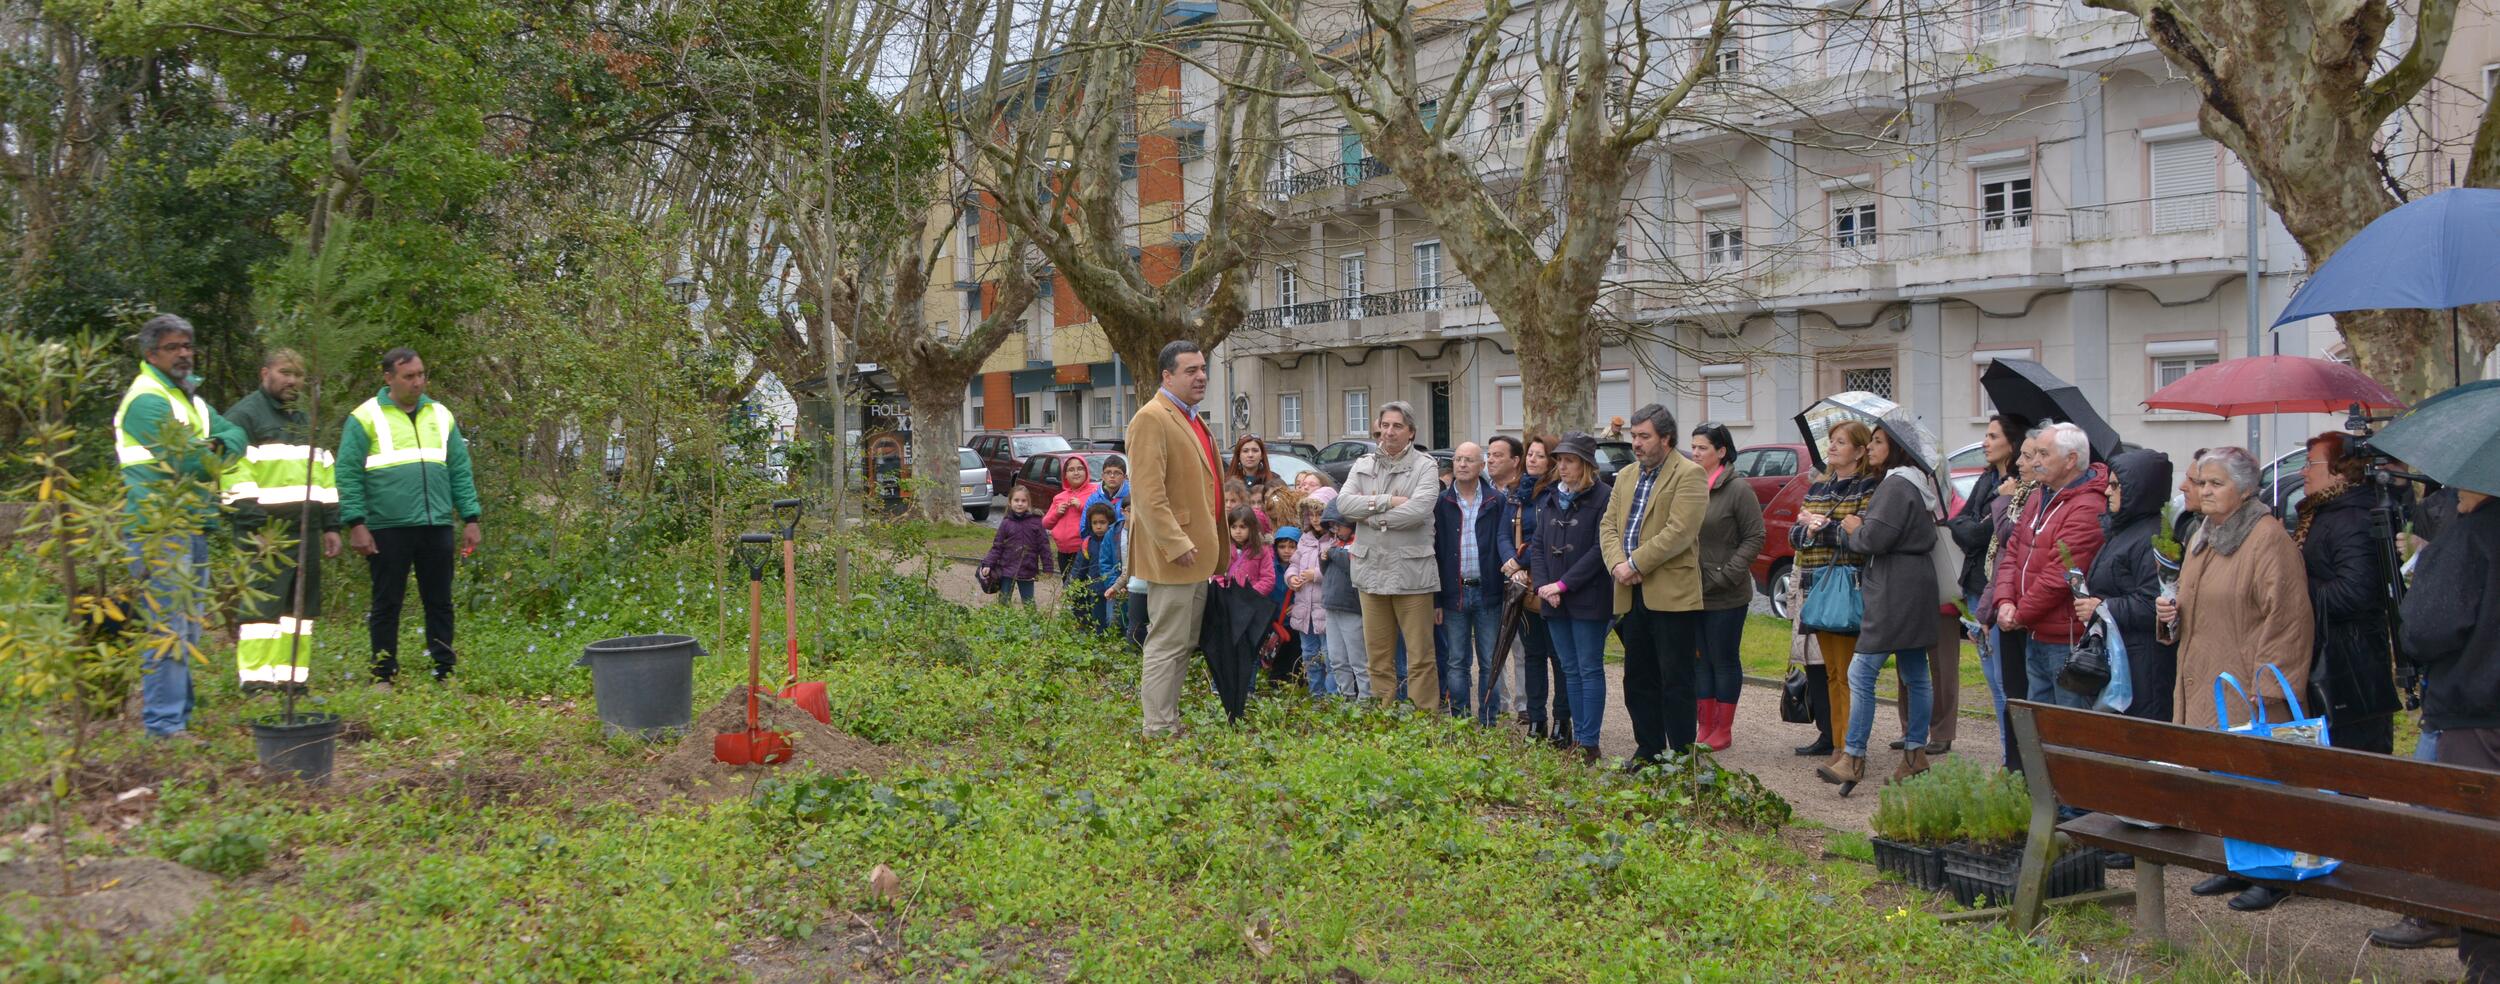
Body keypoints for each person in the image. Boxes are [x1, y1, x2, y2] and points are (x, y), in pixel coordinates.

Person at [2157, 446, 2313, 913]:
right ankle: (2237, 863)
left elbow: (2288, 619)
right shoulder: (2203, 535)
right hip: (2204, 674)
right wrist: (2168, 613)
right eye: (2202, 482)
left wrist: (2268, 690)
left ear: (2245, 490)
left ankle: (2275, 874)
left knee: (2261, 780)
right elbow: (2194, 603)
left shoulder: (2267, 539)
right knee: (2223, 776)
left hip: (2248, 682)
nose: (2204, 491)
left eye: (2216, 483)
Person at [113, 314, 245, 737]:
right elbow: (188, 459)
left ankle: (176, 720)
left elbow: (236, 435)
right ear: (151, 353)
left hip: (192, 525)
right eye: (173, 347)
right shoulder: (147, 399)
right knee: (168, 627)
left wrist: (217, 445)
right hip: (159, 529)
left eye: (187, 345)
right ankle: (164, 727)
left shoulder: (192, 400)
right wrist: (215, 448)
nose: (185, 353)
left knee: (187, 626)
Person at [2390, 482, 2499, 978]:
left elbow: (2423, 630)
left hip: (2477, 716)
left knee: (2477, 848)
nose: (2453, 492)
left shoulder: (2473, 535)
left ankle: (2487, 965)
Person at [338, 347, 482, 686]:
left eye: (421, 375)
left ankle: (443, 670)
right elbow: (347, 472)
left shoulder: (440, 414)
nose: (418, 382)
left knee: (440, 601)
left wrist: (471, 517)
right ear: (389, 378)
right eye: (409, 376)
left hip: (436, 524)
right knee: (387, 602)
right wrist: (356, 523)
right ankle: (383, 675)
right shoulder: (364, 417)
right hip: (388, 526)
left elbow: (459, 469)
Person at [1812, 419, 1940, 788]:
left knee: (1861, 672)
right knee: (1915, 673)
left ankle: (1853, 757)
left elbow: (1873, 540)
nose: (1870, 447)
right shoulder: (1915, 483)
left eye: (1879, 441)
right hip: (1915, 583)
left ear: (1897, 446)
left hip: (1894, 588)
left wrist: (1854, 527)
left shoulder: (1896, 485)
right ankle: (1915, 755)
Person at [220, 348, 344, 693]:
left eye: (298, 375)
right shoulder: (245, 416)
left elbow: (324, 475)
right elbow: (232, 475)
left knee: (299, 610)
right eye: (285, 372)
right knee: (261, 607)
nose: (292, 381)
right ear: (265, 374)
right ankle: (257, 681)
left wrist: (332, 525)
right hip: (264, 531)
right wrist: (252, 523)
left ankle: (291, 680)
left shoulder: (305, 420)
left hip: (307, 529)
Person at [1599, 404, 1709, 767]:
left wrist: (1635, 563)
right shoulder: (1626, 475)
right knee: (1638, 679)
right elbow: (1608, 526)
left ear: (1667, 438)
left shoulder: (1689, 474)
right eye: (1634, 436)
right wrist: (1618, 564)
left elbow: (1680, 532)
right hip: (1630, 593)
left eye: (1644, 436)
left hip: (1671, 596)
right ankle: (1647, 750)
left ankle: (1679, 758)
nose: (1637, 444)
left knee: (1675, 680)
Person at [1125, 341, 1225, 736]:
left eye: (1203, 368)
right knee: (1166, 642)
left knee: (1183, 642)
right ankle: (1158, 727)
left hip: (1196, 554)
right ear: (1167, 376)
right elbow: (1148, 495)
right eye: (1191, 370)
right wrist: (1176, 542)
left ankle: (1168, 719)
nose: (1201, 376)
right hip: (1174, 556)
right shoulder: (1152, 418)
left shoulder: (1191, 418)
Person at [2292, 433, 2403, 754]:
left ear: (2340, 470)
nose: (2303, 472)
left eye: (2311, 463)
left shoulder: (2352, 517)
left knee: (2350, 773)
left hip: (2350, 672)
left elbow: (2355, 593)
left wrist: (2294, 587)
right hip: (2332, 663)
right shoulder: (2325, 512)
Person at [1991, 422, 2109, 709]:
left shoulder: (2087, 506)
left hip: (2065, 638)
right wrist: (2004, 600)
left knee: (2068, 728)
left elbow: (2061, 573)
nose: (2035, 461)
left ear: (2070, 460)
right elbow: (2012, 553)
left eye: (2044, 454)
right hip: (2035, 630)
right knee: (2038, 722)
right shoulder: (2038, 496)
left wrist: (2020, 613)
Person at [1338, 402, 1442, 709]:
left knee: (1420, 655)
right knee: (1378, 655)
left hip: (1412, 574)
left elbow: (1418, 510)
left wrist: (1373, 518)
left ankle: (1423, 721)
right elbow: (1344, 504)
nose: (1390, 432)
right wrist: (1386, 501)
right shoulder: (1363, 464)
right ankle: (1384, 717)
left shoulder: (1426, 466)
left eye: (1397, 426)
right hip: (1371, 571)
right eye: (1385, 425)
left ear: (1410, 432)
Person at [1790, 420, 1878, 762]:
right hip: (1814, 588)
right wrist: (1811, 531)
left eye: (1841, 442)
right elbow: (1794, 538)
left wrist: (1819, 527)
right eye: (1832, 441)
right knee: (1828, 672)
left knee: (1846, 674)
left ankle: (1848, 747)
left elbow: (1861, 540)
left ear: (1858, 451)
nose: (1832, 447)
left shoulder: (1866, 489)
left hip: (1846, 590)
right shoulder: (1818, 487)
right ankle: (1837, 739)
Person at [1943, 413, 2029, 754]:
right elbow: (1960, 522)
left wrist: (1970, 528)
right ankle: (2008, 755)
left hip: (2002, 588)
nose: (1985, 442)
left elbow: (1981, 531)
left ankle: (2016, 758)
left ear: (2012, 443)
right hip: (1977, 584)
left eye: (1993, 436)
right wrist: (1969, 529)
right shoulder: (1987, 478)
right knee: (1993, 680)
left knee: (2004, 680)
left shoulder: (2018, 486)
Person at [1528, 433, 1614, 764]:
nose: (1562, 466)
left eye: (1570, 460)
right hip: (1553, 599)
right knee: (1569, 668)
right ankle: (1578, 738)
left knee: (1589, 668)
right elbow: (1538, 545)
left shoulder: (1604, 497)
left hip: (1588, 597)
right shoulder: (1551, 497)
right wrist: (1544, 586)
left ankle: (1589, 742)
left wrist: (1563, 584)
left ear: (1587, 465)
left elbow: (1599, 549)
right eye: (1560, 460)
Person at [2075, 449, 2177, 723]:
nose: (2107, 492)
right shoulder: (2125, 530)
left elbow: (2154, 604)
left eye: (2116, 485)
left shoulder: (2151, 536)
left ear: (2138, 490)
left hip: (2143, 661)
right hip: (2124, 652)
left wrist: (2102, 607)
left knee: (2141, 739)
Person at [1689, 422, 1764, 752]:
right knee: (1699, 659)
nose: (1695, 453)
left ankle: (1724, 728)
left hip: (1726, 592)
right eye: (1693, 447)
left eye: (1702, 448)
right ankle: (1704, 725)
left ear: (1721, 451)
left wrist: (1726, 575)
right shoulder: (1689, 484)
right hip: (1692, 590)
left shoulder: (1738, 489)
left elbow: (1755, 537)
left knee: (1723, 658)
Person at [1502, 435, 1572, 745]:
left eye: (1539, 456)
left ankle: (1562, 721)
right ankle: (1536, 720)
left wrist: (1519, 561)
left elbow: (1547, 540)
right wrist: (1511, 563)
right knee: (1532, 655)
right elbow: (1503, 533)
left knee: (1559, 657)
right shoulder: (1517, 493)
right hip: (1523, 586)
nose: (1531, 459)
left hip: (1551, 582)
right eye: (1529, 454)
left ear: (1552, 462)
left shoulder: (1556, 495)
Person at [1435, 441, 1507, 725]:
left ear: (1481, 466)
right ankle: (1460, 719)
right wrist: (1436, 600)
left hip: (1488, 592)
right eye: (1458, 459)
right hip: (1454, 593)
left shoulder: (1495, 501)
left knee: (1491, 661)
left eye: (1469, 460)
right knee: (1456, 662)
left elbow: (1503, 544)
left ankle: (1489, 720)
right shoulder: (1441, 503)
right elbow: (1437, 553)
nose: (1462, 464)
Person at [1317, 502, 1370, 698]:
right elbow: (1326, 572)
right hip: (1332, 607)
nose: (1335, 530)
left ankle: (1366, 697)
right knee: (1336, 658)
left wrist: (1331, 553)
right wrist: (1324, 558)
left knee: (1358, 658)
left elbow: (1352, 566)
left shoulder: (1359, 543)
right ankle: (1345, 695)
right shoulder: (1335, 545)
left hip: (1351, 608)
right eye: (1332, 527)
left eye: (1338, 525)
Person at [1285, 508, 1335, 697]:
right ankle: (1316, 694)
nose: (1315, 519)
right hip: (1304, 609)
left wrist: (1316, 575)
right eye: (1311, 515)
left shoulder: (1333, 539)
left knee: (1329, 656)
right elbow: (1293, 565)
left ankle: (1332, 697)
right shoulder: (1305, 540)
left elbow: (1337, 570)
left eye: (1319, 514)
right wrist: (1291, 579)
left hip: (1324, 608)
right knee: (1309, 654)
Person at [1046, 455, 1100, 620]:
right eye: (1071, 469)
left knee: (1084, 589)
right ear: (1065, 475)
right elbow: (1046, 523)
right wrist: (1057, 512)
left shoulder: (1094, 492)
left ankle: (1087, 623)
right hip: (1063, 552)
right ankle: (1076, 622)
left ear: (1086, 471)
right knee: (1070, 589)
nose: (1076, 473)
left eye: (1079, 468)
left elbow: (1100, 518)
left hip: (1083, 552)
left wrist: (1082, 507)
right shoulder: (1060, 497)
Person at [980, 486, 1053, 606]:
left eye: (1023, 501)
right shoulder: (1006, 523)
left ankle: (1033, 625)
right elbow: (997, 546)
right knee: (1003, 602)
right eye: (1016, 500)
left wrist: (1048, 567)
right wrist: (988, 564)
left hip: (1027, 569)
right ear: (1010, 502)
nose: (1020, 504)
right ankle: (1001, 625)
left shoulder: (1036, 522)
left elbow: (1044, 546)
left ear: (1028, 503)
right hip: (1007, 569)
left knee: (1029, 603)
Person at [1075, 502, 1119, 634]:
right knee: (1098, 622)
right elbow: (1078, 568)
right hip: (1096, 590)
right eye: (1095, 523)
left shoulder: (1116, 540)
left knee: (1114, 620)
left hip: (1114, 588)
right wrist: (1070, 585)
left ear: (1110, 522)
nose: (1098, 526)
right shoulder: (1088, 543)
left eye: (1102, 522)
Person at [1229, 435, 1282, 504]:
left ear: (1262, 455)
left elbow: (1278, 504)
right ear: (1239, 455)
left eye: (1255, 451)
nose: (1250, 455)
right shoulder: (1229, 481)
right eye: (1245, 451)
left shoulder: (1274, 480)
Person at [1087, 455, 1131, 520]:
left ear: (1124, 477)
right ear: (1102, 476)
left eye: (1117, 473)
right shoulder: (1094, 498)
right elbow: (1085, 526)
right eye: (1108, 472)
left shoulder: (1131, 498)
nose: (1112, 476)